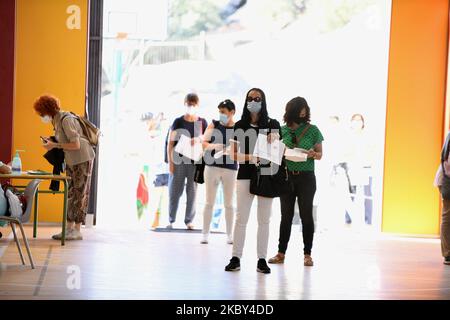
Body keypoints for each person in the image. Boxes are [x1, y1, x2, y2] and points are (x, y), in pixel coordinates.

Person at [224, 88, 281, 274]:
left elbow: (278, 150)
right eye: (250, 98)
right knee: (241, 218)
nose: (254, 101)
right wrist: (253, 158)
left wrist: (276, 137)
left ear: (263, 101)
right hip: (245, 175)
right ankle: (235, 257)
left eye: (257, 98)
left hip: (267, 177)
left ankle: (261, 259)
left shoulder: (273, 124)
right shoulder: (239, 125)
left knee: (264, 220)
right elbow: (234, 155)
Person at [268, 97, 323, 267]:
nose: (303, 111)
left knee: (306, 215)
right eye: (300, 108)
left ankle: (308, 254)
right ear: (291, 110)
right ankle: (280, 253)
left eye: (305, 108)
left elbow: (320, 154)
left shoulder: (313, 130)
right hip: (287, 176)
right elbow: (273, 152)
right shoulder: (281, 130)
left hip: (306, 177)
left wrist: (314, 153)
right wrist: (272, 142)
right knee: (286, 216)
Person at [34, 95, 95, 241]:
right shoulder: (56, 121)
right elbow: (66, 140)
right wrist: (52, 140)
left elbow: (76, 145)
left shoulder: (66, 120)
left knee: (80, 193)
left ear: (48, 110)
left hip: (82, 158)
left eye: (42, 114)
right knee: (70, 193)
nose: (42, 117)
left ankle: (77, 230)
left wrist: (54, 145)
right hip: (71, 160)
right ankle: (68, 229)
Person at [167, 93, 207, 230]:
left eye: (193, 104)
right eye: (189, 104)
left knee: (192, 191)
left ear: (197, 105)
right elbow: (170, 143)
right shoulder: (178, 121)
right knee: (174, 191)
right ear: (185, 104)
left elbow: (207, 141)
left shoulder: (201, 122)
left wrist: (199, 139)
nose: (191, 106)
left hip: (195, 163)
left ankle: (189, 220)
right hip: (178, 161)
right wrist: (171, 164)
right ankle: (171, 219)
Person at [200, 99, 238, 244]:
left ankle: (230, 235)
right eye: (220, 112)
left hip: (230, 169)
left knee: (229, 203)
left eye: (224, 112)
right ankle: (205, 233)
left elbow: (241, 148)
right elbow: (203, 143)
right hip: (212, 167)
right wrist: (214, 146)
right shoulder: (214, 124)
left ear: (232, 112)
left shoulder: (238, 128)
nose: (221, 114)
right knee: (209, 202)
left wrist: (232, 151)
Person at [345, 114, 374, 227]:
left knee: (367, 194)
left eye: (359, 120)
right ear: (351, 122)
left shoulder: (368, 136)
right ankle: (348, 219)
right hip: (352, 168)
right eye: (355, 120)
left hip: (366, 168)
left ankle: (368, 220)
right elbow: (345, 152)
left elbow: (372, 151)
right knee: (351, 194)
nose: (357, 122)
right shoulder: (349, 136)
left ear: (363, 122)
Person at [434, 131, 450, 265]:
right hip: (447, 180)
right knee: (447, 215)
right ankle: (448, 254)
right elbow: (448, 163)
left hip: (446, 179)